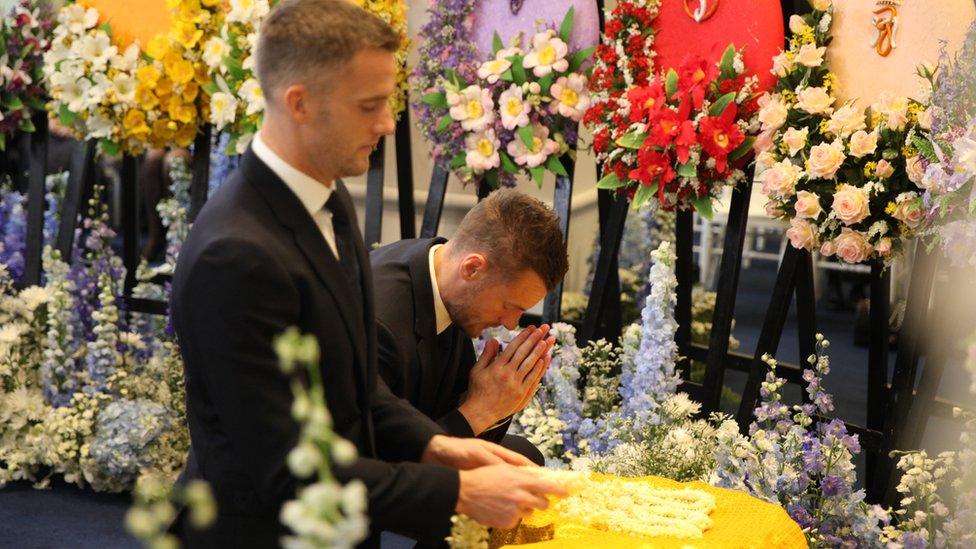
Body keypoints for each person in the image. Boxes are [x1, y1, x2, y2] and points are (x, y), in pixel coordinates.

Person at [169, 1, 566, 546]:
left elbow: (354, 390)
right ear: (300, 103)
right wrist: (457, 493)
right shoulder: (235, 254)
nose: (387, 122)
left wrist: (440, 445)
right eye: (370, 105)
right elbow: (289, 473)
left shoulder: (330, 202)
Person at [371, 190, 569, 464]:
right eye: (509, 305)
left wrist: (501, 402)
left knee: (525, 457)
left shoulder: (445, 280)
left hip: (423, 447)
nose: (511, 323)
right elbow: (381, 465)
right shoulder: (380, 324)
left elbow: (447, 415)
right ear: (472, 268)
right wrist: (481, 411)